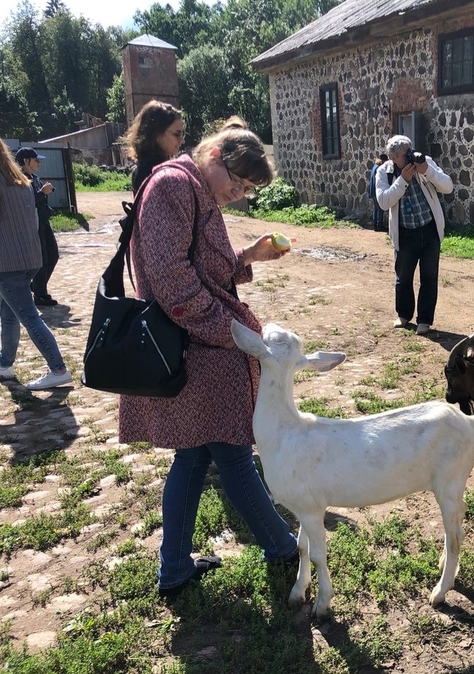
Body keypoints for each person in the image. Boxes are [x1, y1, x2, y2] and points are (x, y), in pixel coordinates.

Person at [116, 118, 299, 598]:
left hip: (201, 344)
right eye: (237, 183)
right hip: (198, 347)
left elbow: (203, 265)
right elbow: (172, 280)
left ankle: (174, 567)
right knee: (234, 457)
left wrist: (250, 257)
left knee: (195, 457)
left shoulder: (196, 188)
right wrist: (232, 333)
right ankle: (282, 548)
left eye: (247, 190)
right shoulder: (175, 186)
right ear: (214, 155)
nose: (239, 194)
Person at [0, 143, 73, 390]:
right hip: (30, 258)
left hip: (7, 263)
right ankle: (5, 364)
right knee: (8, 314)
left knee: (30, 318)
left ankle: (58, 368)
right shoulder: (21, 181)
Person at [375, 135, 454, 336]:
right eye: (404, 156)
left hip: (429, 230)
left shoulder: (423, 162)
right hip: (405, 233)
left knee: (429, 277)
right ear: (393, 158)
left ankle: (425, 320)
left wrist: (426, 171)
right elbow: (384, 202)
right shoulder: (385, 172)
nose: (410, 158)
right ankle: (403, 315)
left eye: (410, 151)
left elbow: (448, 186)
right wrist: (403, 180)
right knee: (403, 277)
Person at [15, 147, 59, 307]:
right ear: (26, 161)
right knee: (42, 260)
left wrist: (44, 192)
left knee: (53, 255)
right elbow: (25, 203)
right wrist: (42, 193)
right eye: (36, 159)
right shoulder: (19, 180)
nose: (39, 162)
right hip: (32, 225)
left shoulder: (34, 177)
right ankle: (40, 295)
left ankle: (36, 287)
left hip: (43, 222)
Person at [124, 100, 185, 194]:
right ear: (157, 134)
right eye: (177, 134)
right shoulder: (160, 173)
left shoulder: (141, 169)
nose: (182, 140)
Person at [368, 153, 388, 231]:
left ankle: (375, 225)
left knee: (376, 208)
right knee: (380, 208)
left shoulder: (374, 167)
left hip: (372, 190)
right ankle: (379, 225)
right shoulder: (379, 168)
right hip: (376, 190)